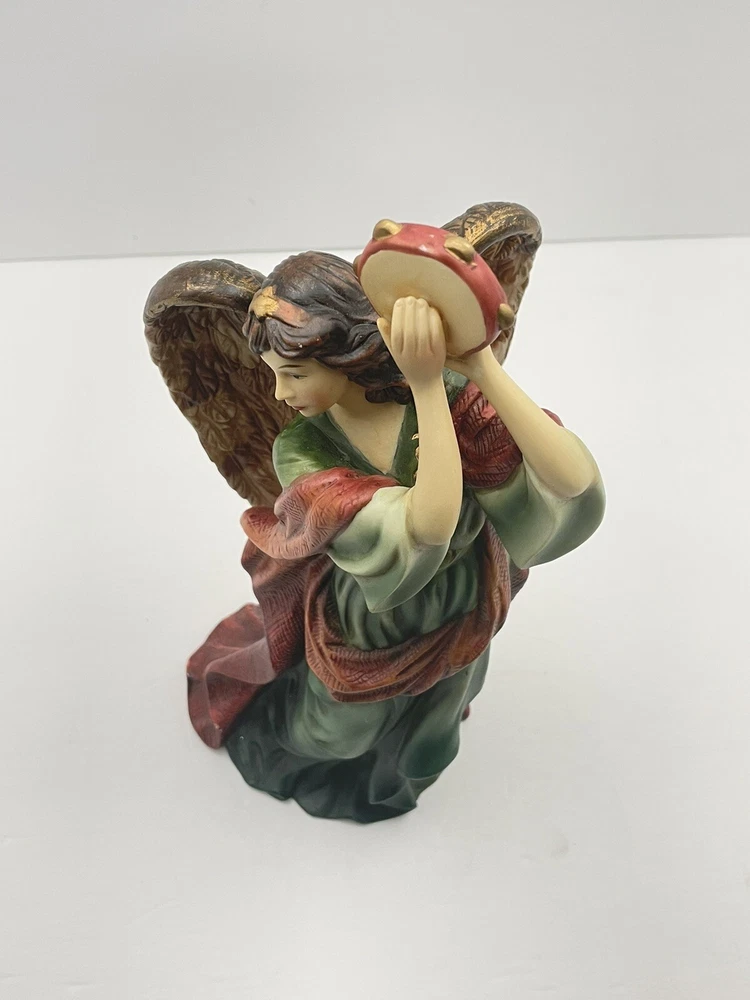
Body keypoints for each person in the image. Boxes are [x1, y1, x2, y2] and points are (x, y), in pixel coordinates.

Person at [186, 250, 605, 823]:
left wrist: (479, 364)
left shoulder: (453, 396)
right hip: (372, 620)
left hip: (464, 601)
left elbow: (573, 483)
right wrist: (428, 387)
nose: (280, 394)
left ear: (346, 354)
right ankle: (274, 730)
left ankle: (394, 775)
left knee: (430, 737)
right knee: (335, 733)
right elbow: (424, 528)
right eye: (274, 374)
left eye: (295, 374)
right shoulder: (303, 449)